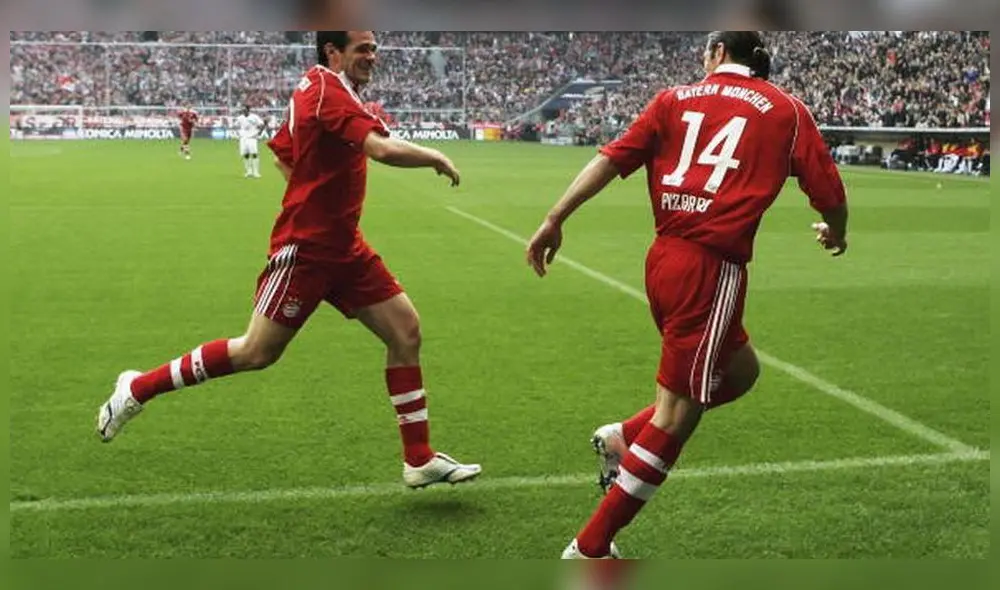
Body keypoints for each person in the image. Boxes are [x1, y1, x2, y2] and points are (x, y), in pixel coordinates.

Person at [97, 30, 482, 490]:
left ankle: (418, 459)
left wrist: (315, 196)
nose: (372, 57)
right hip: (308, 251)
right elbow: (379, 149)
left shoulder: (315, 89)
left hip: (344, 247)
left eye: (375, 49)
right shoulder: (327, 90)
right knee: (256, 352)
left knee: (406, 331)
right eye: (363, 49)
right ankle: (136, 389)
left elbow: (283, 154)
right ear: (332, 52)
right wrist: (434, 155)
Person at [525, 31, 849, 559]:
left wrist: (554, 218)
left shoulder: (673, 99)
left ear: (718, 52)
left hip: (663, 260)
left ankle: (622, 437)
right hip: (710, 270)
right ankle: (590, 548)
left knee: (741, 371)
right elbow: (829, 193)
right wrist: (836, 230)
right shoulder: (787, 110)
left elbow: (609, 159)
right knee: (678, 415)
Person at [235, 105, 265, 178]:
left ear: (248, 110)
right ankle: (249, 171)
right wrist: (238, 134)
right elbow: (236, 126)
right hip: (243, 138)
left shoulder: (254, 117)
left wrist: (259, 133)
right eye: (242, 110)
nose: (243, 111)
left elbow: (262, 124)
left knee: (254, 154)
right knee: (246, 155)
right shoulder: (240, 118)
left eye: (244, 109)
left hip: (252, 138)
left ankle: (256, 172)